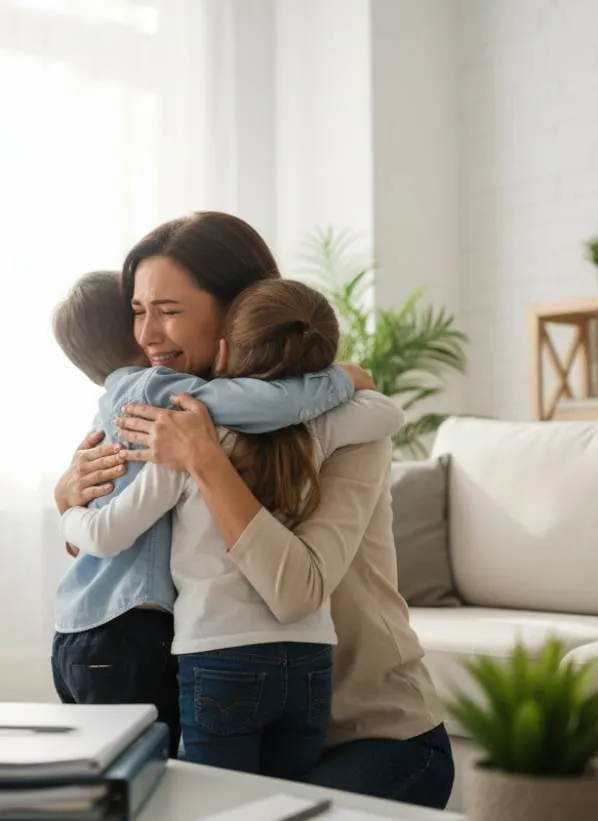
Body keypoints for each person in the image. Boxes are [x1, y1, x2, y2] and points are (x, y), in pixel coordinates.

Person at [55, 211, 455, 809]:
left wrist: (207, 463)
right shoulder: (176, 417)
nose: (146, 336)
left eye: (168, 310)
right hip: (241, 726)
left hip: (376, 735)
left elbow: (298, 590)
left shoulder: (341, 426)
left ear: (238, 305)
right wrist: (69, 492)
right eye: (138, 311)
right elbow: (111, 542)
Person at [49, 270, 371, 759]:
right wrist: (341, 379)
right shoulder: (160, 393)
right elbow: (267, 405)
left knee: (119, 786)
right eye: (141, 313)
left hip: (80, 628)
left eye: (167, 311)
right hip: (130, 632)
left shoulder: (112, 405)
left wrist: (67, 508)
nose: (154, 329)